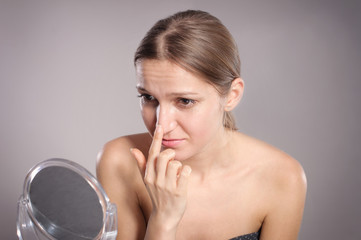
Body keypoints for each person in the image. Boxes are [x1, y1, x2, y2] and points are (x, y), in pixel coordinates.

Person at [96, 10, 307, 240]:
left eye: (185, 101)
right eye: (148, 97)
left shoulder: (283, 177)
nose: (161, 125)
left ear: (232, 96)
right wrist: (163, 220)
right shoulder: (119, 161)